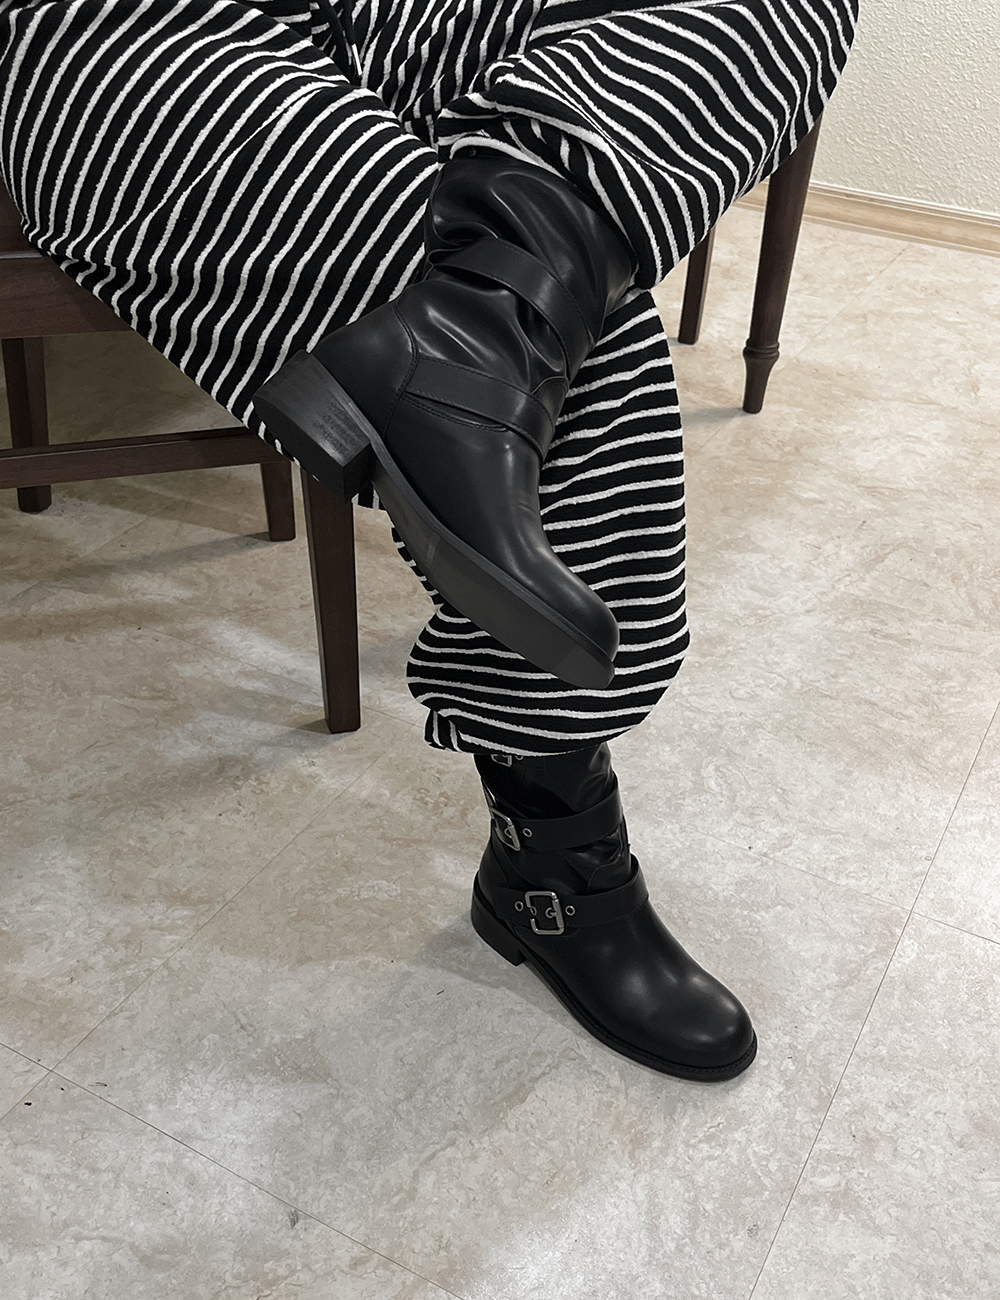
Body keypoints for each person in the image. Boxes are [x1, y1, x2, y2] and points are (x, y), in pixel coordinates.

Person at [0, 0, 857, 1080]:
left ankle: (485, 328)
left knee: (545, 251)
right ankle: (555, 871)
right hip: (128, 30)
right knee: (558, 327)